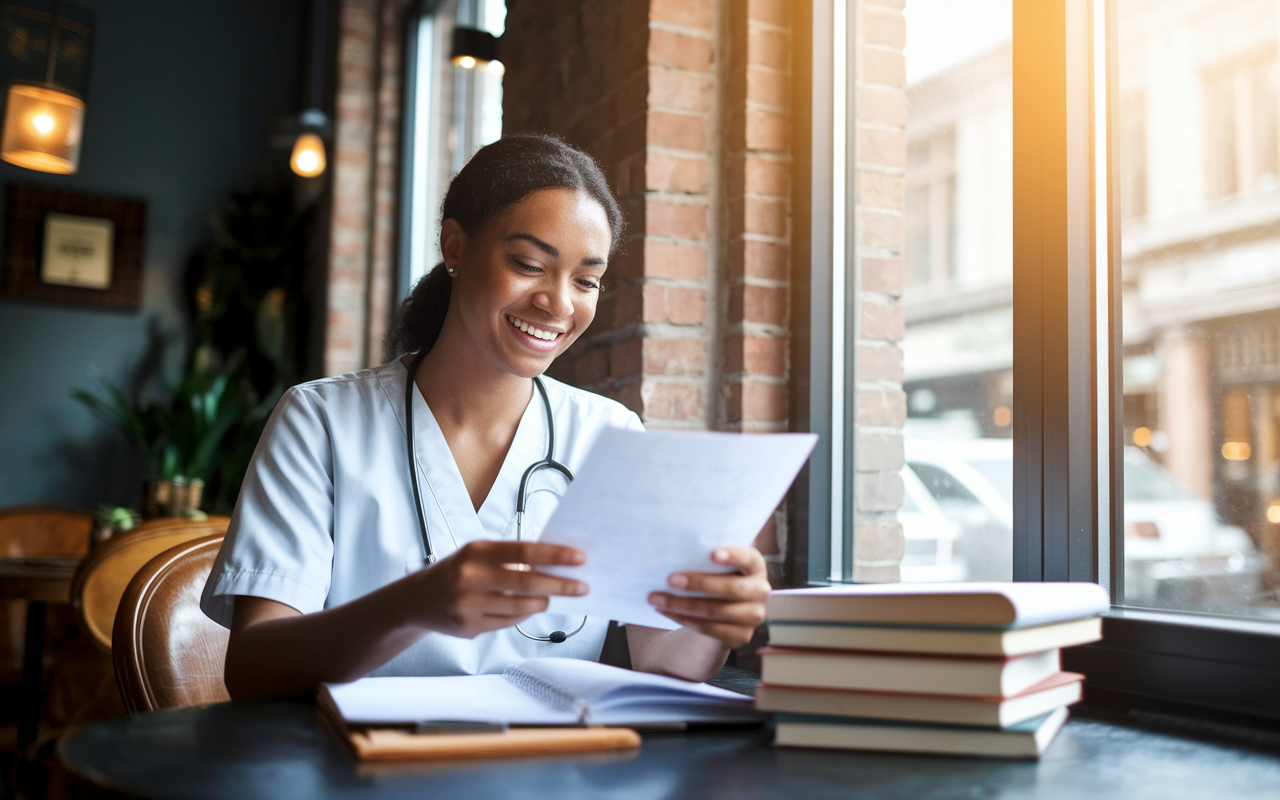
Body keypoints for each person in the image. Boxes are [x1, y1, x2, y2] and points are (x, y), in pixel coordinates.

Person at [201, 134, 771, 700]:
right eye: (528, 264)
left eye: (586, 280)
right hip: (358, 773)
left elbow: (662, 660)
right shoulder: (321, 421)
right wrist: (414, 605)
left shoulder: (610, 436)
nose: (559, 303)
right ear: (454, 247)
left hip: (546, 778)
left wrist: (713, 621)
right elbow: (254, 668)